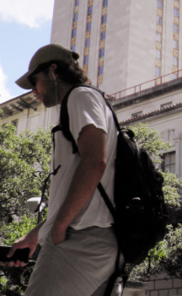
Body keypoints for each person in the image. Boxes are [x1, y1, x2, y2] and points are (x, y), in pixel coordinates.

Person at [8, 44, 119, 296]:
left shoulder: (80, 97)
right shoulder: (85, 101)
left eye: (34, 81)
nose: (33, 91)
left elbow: (95, 163)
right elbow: (82, 185)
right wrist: (37, 234)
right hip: (98, 240)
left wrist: (59, 227)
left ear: (53, 71)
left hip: (80, 239)